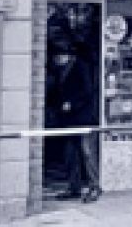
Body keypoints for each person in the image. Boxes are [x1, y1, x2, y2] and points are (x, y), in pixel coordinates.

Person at [52, 39, 102, 202]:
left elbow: (88, 92)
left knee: (87, 153)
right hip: (70, 120)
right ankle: (74, 187)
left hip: (84, 118)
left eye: (59, 57)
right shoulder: (61, 70)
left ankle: (95, 186)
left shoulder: (81, 67)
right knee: (70, 154)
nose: (56, 60)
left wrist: (72, 103)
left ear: (67, 55)